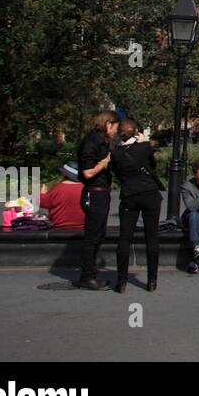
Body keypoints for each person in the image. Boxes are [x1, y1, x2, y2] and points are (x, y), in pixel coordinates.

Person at [110, 118, 163, 293]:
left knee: (124, 238)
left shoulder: (115, 152)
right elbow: (153, 165)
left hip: (129, 195)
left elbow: (117, 173)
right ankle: (152, 281)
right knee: (151, 237)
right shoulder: (145, 147)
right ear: (136, 132)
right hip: (149, 193)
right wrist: (143, 143)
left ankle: (121, 281)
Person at [76, 110, 119, 290]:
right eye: (115, 127)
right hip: (94, 193)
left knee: (98, 236)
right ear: (108, 124)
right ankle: (87, 277)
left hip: (101, 193)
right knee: (92, 237)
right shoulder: (93, 141)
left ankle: (90, 273)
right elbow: (87, 172)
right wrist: (105, 162)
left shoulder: (99, 141)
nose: (116, 131)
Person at [38, 164, 85, 231]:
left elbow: (43, 203)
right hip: (83, 228)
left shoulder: (58, 188)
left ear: (64, 175)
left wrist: (42, 193)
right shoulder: (85, 188)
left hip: (59, 228)